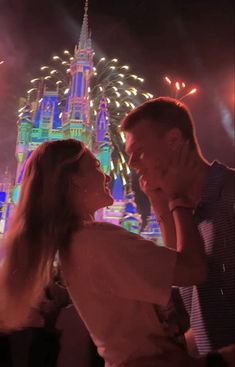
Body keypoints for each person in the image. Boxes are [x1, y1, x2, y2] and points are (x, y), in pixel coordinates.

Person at [0, 139, 230, 367]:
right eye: (97, 167)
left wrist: (158, 198)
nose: (107, 175)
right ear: (76, 180)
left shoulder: (75, 242)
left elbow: (171, 265)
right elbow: (192, 271)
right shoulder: (96, 240)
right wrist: (178, 199)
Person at [121, 96, 235, 365]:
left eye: (138, 151)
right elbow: (206, 315)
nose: (132, 164)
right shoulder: (186, 212)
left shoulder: (230, 197)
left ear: (173, 140)